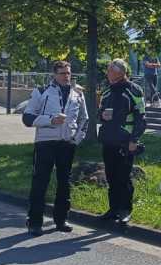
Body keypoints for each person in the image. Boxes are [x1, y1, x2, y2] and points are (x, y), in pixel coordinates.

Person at [22, 60, 89, 236]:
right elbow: (27, 118)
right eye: (62, 73)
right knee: (40, 181)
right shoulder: (42, 91)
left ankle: (61, 219)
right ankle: (34, 222)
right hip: (45, 142)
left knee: (64, 183)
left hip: (67, 143)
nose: (66, 76)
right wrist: (50, 120)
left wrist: (77, 138)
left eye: (69, 73)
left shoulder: (77, 93)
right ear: (54, 74)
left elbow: (84, 118)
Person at [97, 59, 146, 230]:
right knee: (111, 176)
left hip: (126, 141)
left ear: (120, 72)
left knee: (123, 177)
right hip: (108, 140)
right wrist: (102, 115)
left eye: (110, 70)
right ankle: (113, 209)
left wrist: (134, 140)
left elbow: (141, 117)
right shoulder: (106, 91)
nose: (108, 73)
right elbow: (100, 112)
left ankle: (125, 210)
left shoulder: (134, 89)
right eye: (108, 70)